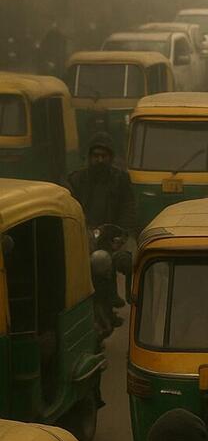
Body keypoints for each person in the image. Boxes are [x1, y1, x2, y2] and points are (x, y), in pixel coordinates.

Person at [68, 132, 136, 324]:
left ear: (110, 158)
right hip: (82, 234)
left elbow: (128, 207)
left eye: (103, 156)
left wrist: (122, 233)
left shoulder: (120, 179)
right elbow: (70, 203)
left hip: (111, 233)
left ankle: (117, 298)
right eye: (95, 156)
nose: (99, 160)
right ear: (89, 157)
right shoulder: (77, 179)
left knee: (124, 259)